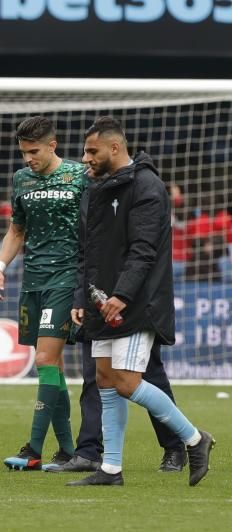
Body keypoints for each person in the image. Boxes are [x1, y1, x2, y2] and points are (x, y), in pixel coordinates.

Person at [65, 117, 214, 487]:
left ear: (115, 148)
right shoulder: (94, 188)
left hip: (136, 303)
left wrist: (122, 294)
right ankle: (111, 469)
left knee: (128, 383)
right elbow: (87, 251)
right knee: (104, 380)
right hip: (102, 302)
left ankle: (194, 438)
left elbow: (144, 251)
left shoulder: (147, 186)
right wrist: (82, 295)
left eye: (92, 151)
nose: (85, 158)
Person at [0, 117, 83, 472]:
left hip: (66, 278)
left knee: (44, 360)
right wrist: (0, 266)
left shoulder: (78, 176)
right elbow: (17, 229)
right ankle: (70, 451)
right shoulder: (21, 178)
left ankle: (33, 450)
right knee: (53, 366)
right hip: (33, 280)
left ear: (52, 145)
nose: (29, 158)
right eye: (24, 152)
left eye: (34, 151)